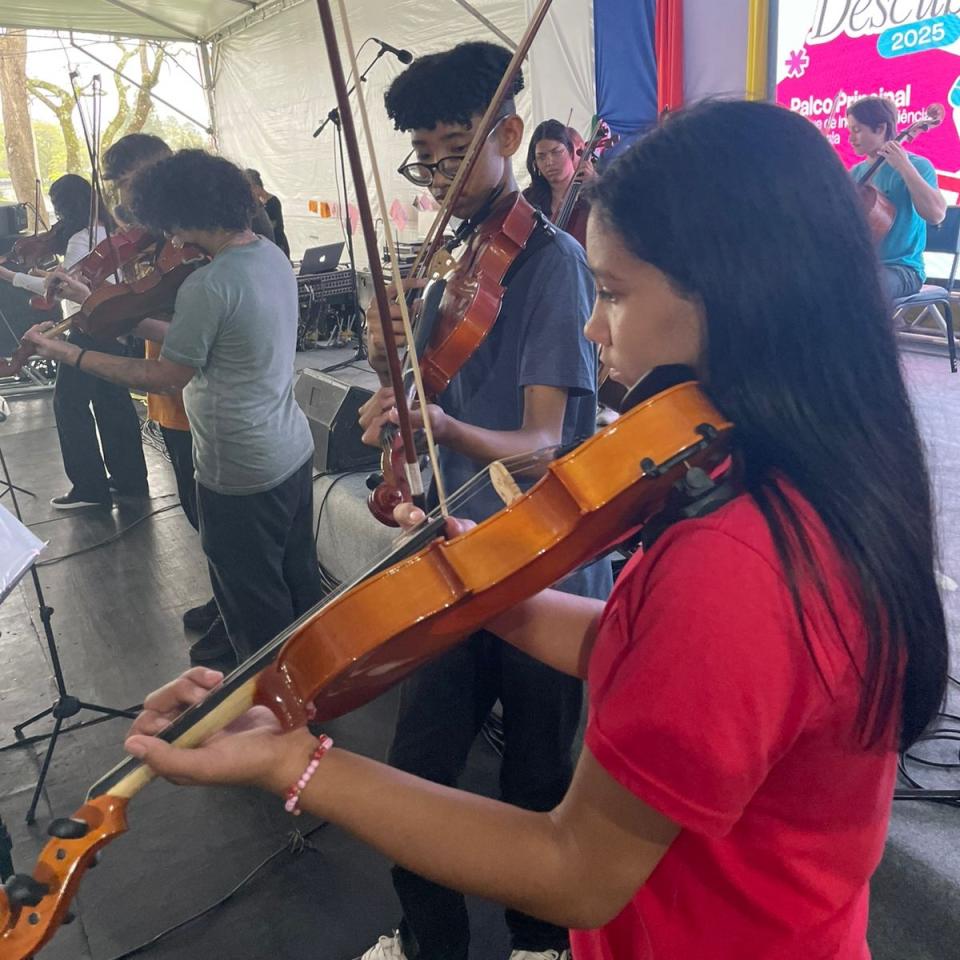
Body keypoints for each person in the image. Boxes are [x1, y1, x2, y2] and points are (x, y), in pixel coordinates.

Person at [121, 99, 947, 960]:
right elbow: (649, 650)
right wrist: (475, 586)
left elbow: (575, 867)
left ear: (739, 294)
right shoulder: (809, 475)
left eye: (614, 294)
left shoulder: (737, 561)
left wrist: (293, 763)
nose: (592, 327)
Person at [356, 42, 610, 960]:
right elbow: (430, 385)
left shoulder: (551, 264)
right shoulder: (455, 255)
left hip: (543, 559)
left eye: (454, 153)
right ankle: (429, 941)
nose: (438, 178)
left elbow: (545, 445)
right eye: (424, 160)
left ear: (508, 135)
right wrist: (388, 386)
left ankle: (542, 944)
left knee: (538, 777)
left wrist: (443, 427)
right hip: (456, 550)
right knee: (418, 767)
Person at [25, 150, 324, 667]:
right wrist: (97, 301)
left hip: (239, 466)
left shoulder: (210, 282)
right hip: (291, 450)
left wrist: (70, 353)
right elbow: (198, 337)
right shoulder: (268, 254)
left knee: (254, 608)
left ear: (180, 214)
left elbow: (164, 375)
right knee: (299, 580)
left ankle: (274, 700)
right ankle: (319, 675)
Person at [101, 132, 225, 654]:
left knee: (213, 514)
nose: (127, 203)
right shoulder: (158, 244)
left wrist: (122, 313)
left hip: (197, 395)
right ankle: (223, 598)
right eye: (119, 191)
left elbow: (193, 330)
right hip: (172, 396)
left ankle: (235, 612)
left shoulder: (197, 249)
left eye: (131, 185)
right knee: (196, 510)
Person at [0, 173, 148, 509]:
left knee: (68, 405)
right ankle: (130, 480)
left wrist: (9, 276)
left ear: (68, 205)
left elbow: (61, 288)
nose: (56, 215)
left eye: (57, 205)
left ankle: (89, 488)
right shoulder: (111, 232)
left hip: (89, 328)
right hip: (117, 329)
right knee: (114, 403)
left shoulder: (83, 239)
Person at [848, 95, 946, 301]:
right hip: (862, 267)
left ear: (880, 128)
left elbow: (936, 215)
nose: (850, 138)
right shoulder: (854, 174)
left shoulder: (918, 166)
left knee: (860, 288)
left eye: (857, 130)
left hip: (903, 270)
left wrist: (904, 166)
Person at [523, 119, 592, 248]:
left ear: (570, 151)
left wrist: (597, 185)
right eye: (541, 157)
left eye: (556, 152)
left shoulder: (593, 193)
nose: (549, 162)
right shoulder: (528, 200)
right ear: (535, 163)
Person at [246, 168, 289, 257]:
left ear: (257, 187)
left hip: (277, 243)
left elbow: (278, 226)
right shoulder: (252, 204)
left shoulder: (273, 201)